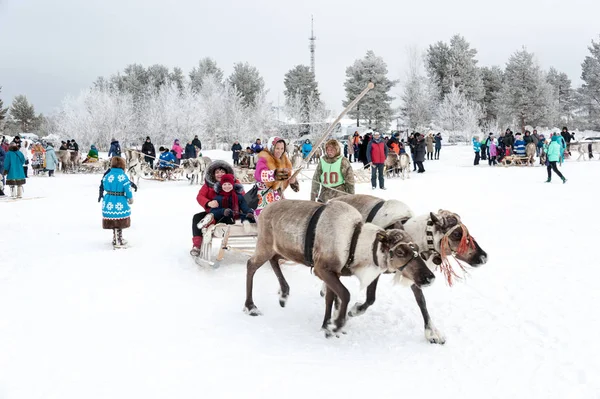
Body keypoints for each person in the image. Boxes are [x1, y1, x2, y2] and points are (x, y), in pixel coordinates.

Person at [190, 160, 244, 256]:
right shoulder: (208, 184)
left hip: (229, 213)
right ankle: (197, 246)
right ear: (213, 174)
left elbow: (243, 197)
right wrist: (209, 203)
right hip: (213, 213)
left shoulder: (235, 183)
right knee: (197, 217)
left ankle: (211, 221)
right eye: (217, 172)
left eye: (222, 172)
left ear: (227, 173)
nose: (220, 174)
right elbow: (200, 196)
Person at [252, 136, 299, 217]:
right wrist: (276, 174)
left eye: (282, 148)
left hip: (278, 196)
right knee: (266, 223)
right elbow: (259, 174)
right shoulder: (264, 158)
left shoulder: (285, 160)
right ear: (272, 147)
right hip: (263, 197)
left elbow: (288, 177)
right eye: (277, 148)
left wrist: (293, 181)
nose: (280, 151)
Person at [98, 156, 134, 247]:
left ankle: (115, 237)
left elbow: (103, 184)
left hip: (109, 200)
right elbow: (128, 188)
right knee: (120, 220)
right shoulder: (123, 176)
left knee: (113, 220)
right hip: (120, 200)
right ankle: (119, 239)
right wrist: (130, 198)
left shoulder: (107, 175)